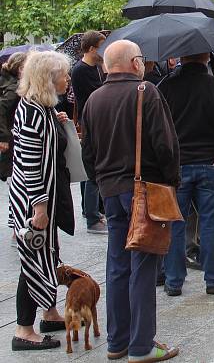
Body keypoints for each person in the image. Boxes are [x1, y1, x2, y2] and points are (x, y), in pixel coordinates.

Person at [82, 41, 180, 362]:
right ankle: (141, 345)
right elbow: (165, 145)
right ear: (135, 62)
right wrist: (171, 181)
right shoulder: (145, 91)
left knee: (117, 264)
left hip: (110, 191)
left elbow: (88, 153)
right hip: (144, 189)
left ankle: (117, 341)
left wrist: (101, 182)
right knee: (142, 264)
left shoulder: (94, 99)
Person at [158, 52, 214, 297]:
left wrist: (167, 161)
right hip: (209, 164)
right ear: (206, 56)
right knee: (210, 224)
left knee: (175, 224)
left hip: (177, 166)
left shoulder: (166, 86)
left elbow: (157, 128)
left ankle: (173, 281)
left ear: (181, 56)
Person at [9, 51, 74, 352]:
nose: (67, 78)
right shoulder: (34, 111)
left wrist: (58, 121)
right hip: (34, 200)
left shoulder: (42, 108)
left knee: (48, 255)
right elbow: (30, 163)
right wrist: (39, 207)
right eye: (63, 74)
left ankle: (49, 314)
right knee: (32, 261)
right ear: (48, 78)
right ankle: (24, 330)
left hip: (41, 196)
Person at [70, 30, 107, 234]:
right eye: (101, 46)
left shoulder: (95, 68)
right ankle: (92, 215)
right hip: (90, 122)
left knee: (90, 167)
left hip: (94, 120)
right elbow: (98, 93)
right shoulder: (81, 70)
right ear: (92, 48)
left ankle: (90, 209)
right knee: (93, 168)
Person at [0, 52, 26, 181]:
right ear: (20, 68)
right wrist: (3, 137)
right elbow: (1, 109)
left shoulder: (7, 79)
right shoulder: (14, 87)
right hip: (10, 134)